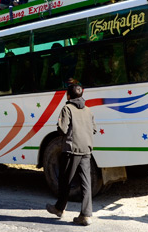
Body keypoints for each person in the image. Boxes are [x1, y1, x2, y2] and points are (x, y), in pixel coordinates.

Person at [46, 84, 97, 226]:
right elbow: (93, 129)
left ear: (68, 96)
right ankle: (86, 215)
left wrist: (60, 124)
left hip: (71, 149)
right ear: (81, 95)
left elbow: (62, 129)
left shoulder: (67, 108)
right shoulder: (88, 110)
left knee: (65, 179)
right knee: (85, 182)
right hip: (86, 149)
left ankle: (59, 208)